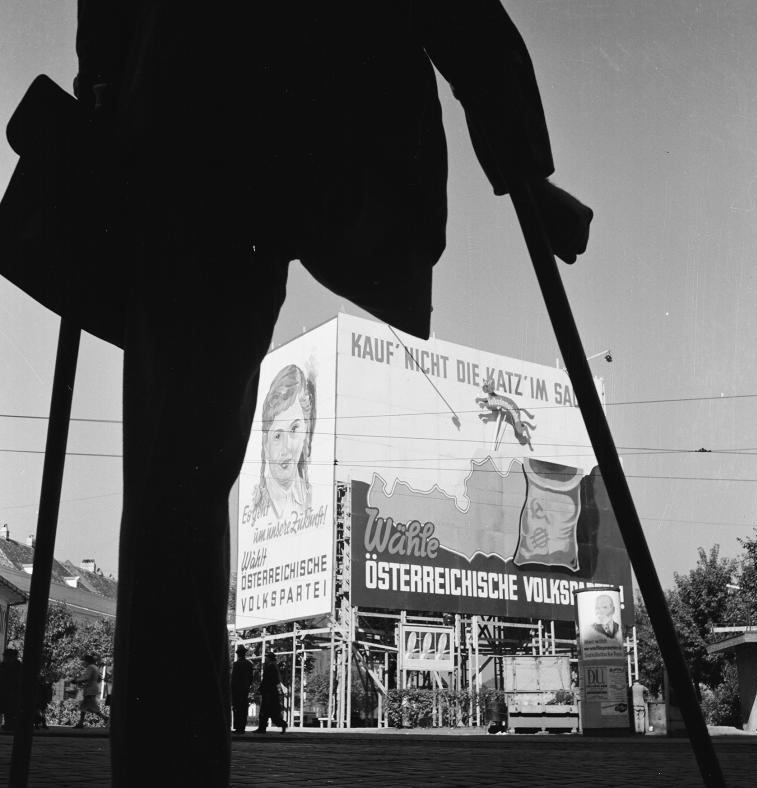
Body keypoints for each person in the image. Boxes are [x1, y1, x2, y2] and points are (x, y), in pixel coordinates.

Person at [1, 2, 592, 784]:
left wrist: (105, 89)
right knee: (177, 483)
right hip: (241, 133)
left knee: (172, 483)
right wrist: (523, 162)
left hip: (202, 124)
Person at [250, 365, 315, 522]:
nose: (286, 449)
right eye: (278, 436)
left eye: (294, 429)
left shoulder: (312, 496)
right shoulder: (255, 506)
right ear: (266, 443)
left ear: (305, 430)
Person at [255, 653, 287, 735]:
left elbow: (268, 680)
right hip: (270, 692)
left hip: (269, 693)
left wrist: (262, 688)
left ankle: (263, 728)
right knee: (268, 713)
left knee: (267, 713)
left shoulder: (271, 667)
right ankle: (262, 728)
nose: (266, 659)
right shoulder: (273, 666)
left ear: (269, 658)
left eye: (267, 658)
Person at [75, 654, 109, 728]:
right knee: (85, 706)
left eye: (83, 661)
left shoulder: (90, 667)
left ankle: (106, 718)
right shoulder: (95, 667)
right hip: (92, 688)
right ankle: (80, 723)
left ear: (87, 661)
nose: (82, 662)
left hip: (90, 689)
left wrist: (77, 680)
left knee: (89, 707)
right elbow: (98, 678)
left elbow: (87, 677)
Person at [230, 645, 254, 734]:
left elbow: (234, 678)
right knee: (243, 708)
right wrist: (248, 686)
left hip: (237, 689)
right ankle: (242, 727)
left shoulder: (236, 664)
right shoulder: (249, 664)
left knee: (237, 708)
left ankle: (238, 728)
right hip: (245, 689)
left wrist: (231, 689)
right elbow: (251, 677)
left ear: (238, 654)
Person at [0, 647, 22, 732]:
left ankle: (10, 724)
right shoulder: (3, 666)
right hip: (5, 692)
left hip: (12, 693)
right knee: (7, 710)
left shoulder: (18, 667)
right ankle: (9, 724)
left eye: (7, 656)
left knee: (10, 710)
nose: (5, 658)